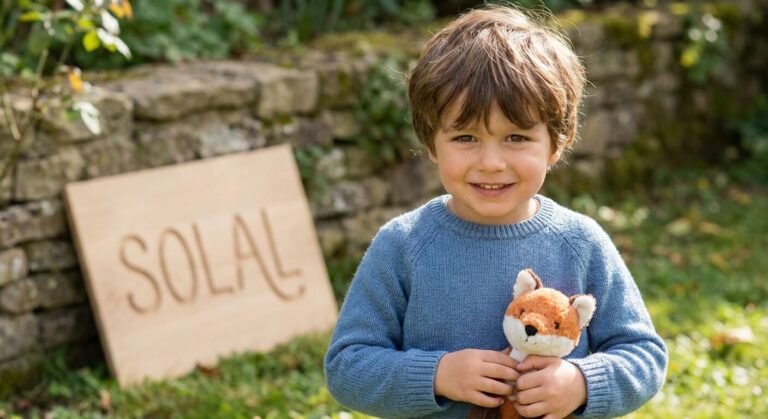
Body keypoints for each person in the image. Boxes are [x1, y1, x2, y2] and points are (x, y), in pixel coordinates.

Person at [324, 5, 667, 418]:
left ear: (557, 142)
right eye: (466, 136)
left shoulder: (580, 242)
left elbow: (644, 355)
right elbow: (346, 366)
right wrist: (437, 374)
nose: (490, 162)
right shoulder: (403, 244)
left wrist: (580, 383)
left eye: (516, 137)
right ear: (431, 143)